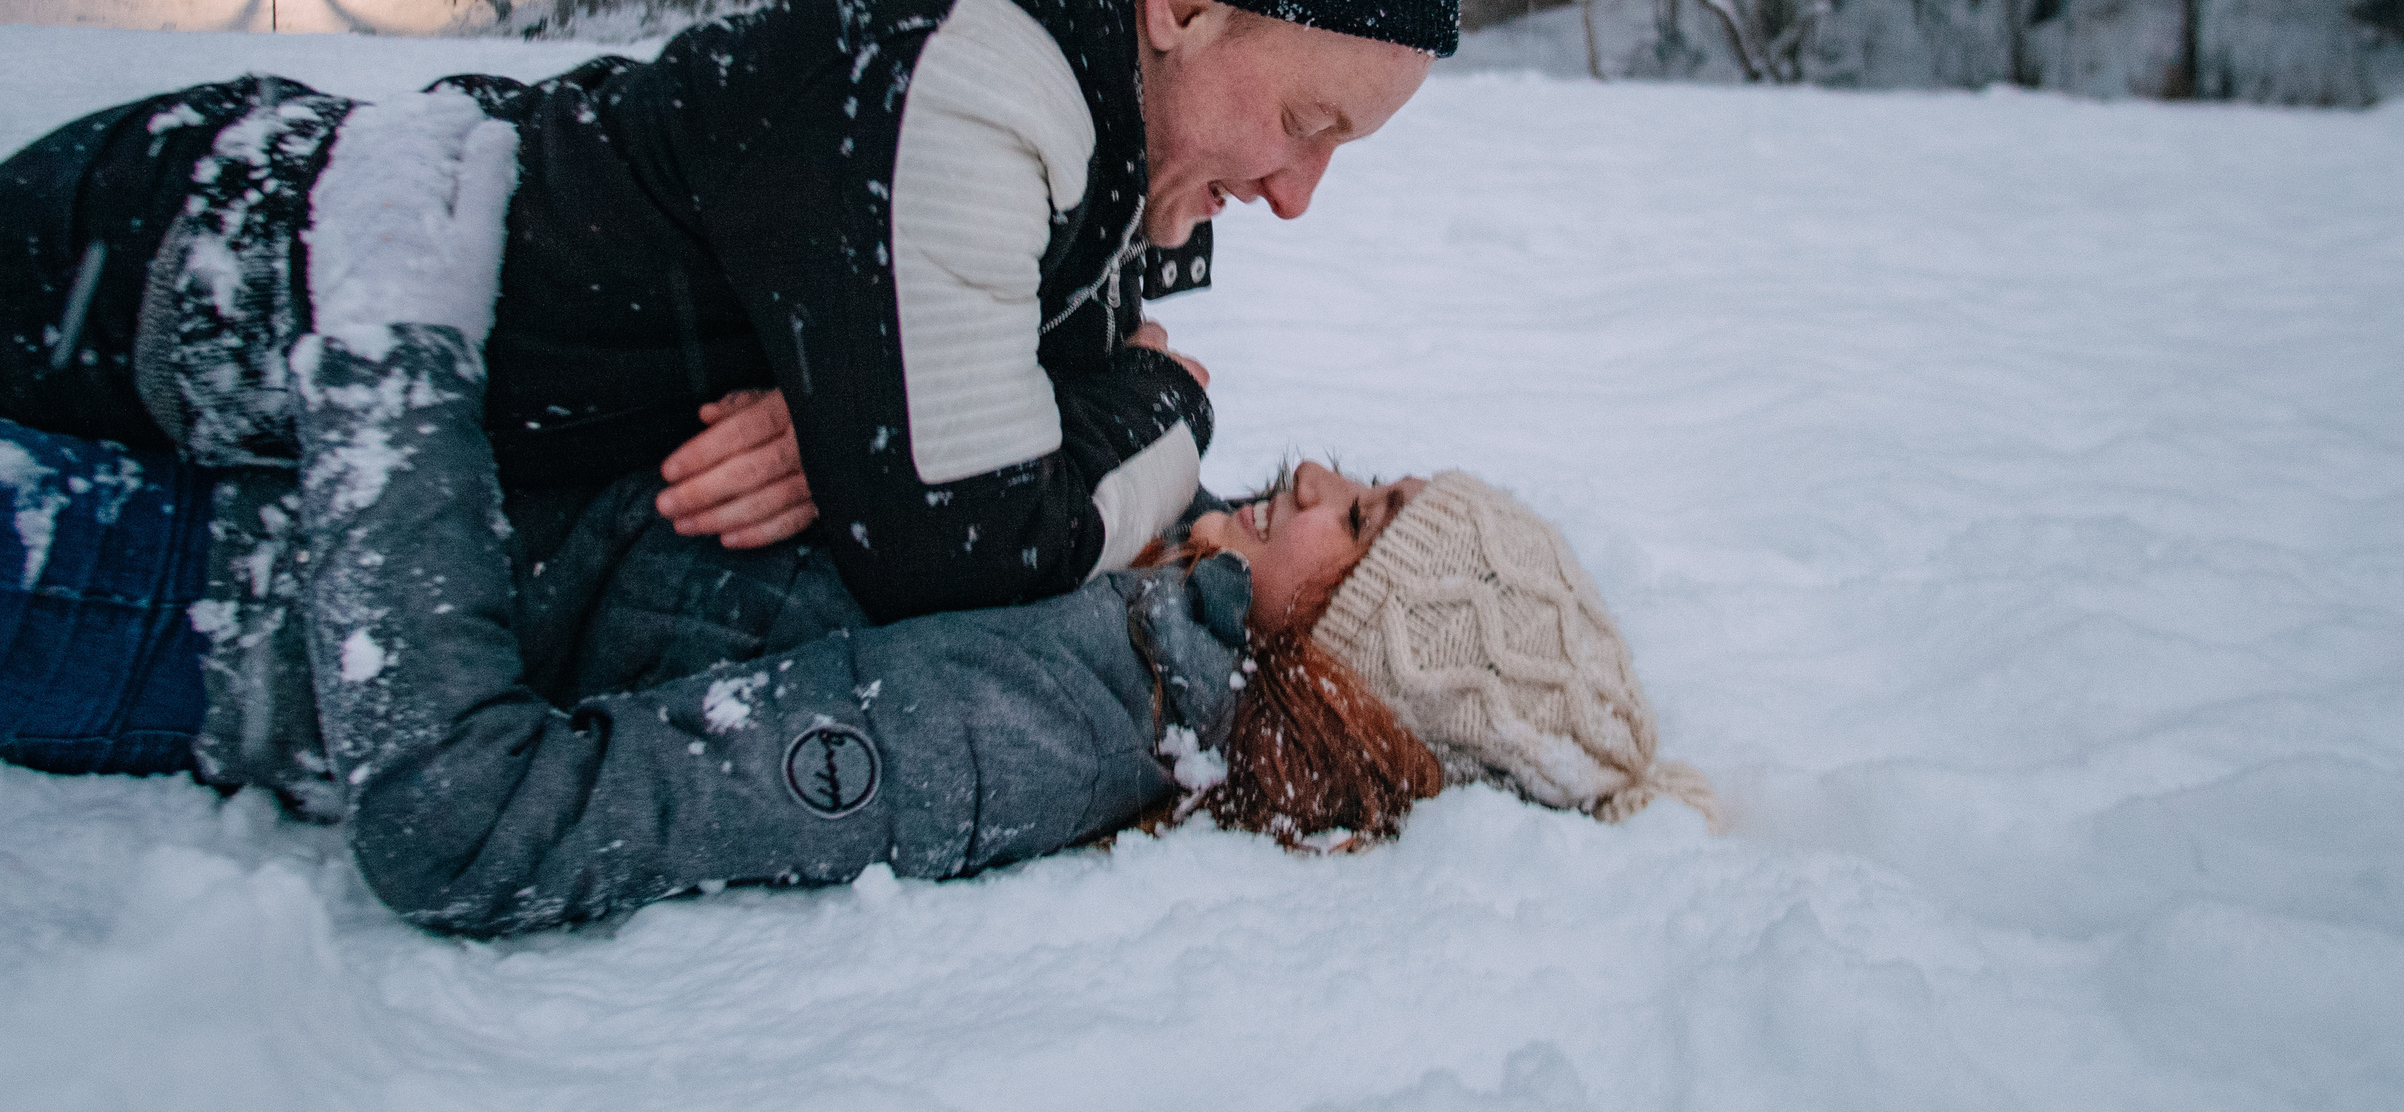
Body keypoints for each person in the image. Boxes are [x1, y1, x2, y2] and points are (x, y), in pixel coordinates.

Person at [0, 0, 1461, 631]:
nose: (1294, 197)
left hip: (318, 292)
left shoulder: (1115, 142)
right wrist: (1160, 406)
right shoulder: (971, 63)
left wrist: (877, 425)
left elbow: (1003, 442)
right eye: (1306, 124)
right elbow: (966, 539)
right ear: (1183, 9)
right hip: (206, 257)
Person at [2, 353, 1713, 935]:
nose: (1323, 474)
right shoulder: (1137, 588)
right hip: (284, 493)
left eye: (1364, 520)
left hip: (212, 604)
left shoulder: (1040, 723)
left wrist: (405, 384)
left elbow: (486, 823)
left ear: (1350, 662)